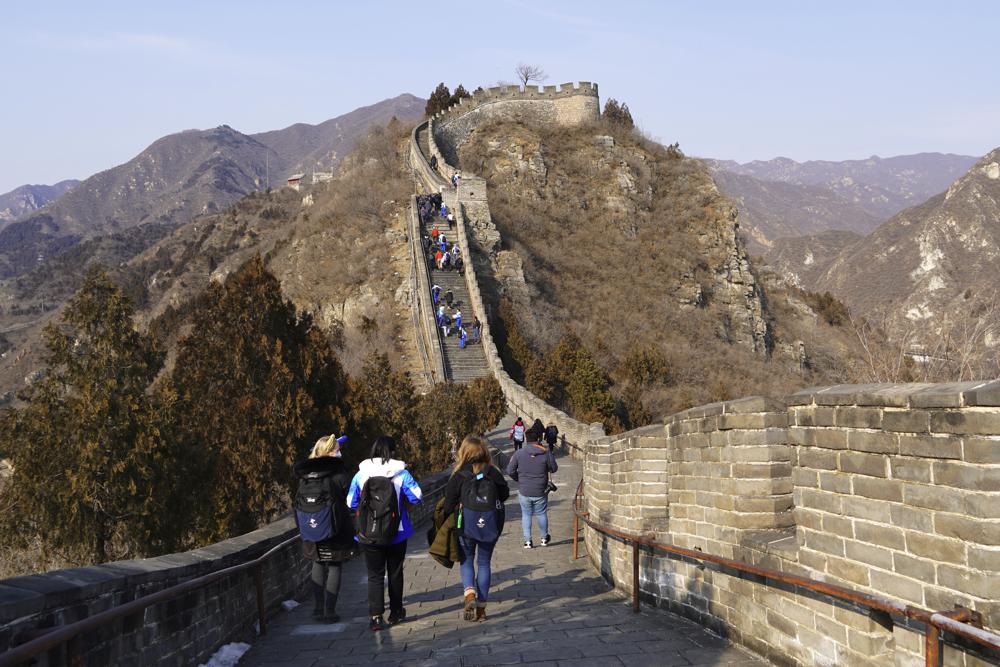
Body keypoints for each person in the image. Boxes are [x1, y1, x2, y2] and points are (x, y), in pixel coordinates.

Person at [347, 436, 423, 632]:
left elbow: (350, 503)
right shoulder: (402, 474)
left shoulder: (360, 475)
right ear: (393, 452)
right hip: (396, 531)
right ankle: (396, 611)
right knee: (395, 572)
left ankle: (376, 617)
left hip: (368, 533)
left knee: (375, 575)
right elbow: (417, 496)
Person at [443, 436, 509, 622]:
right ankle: (481, 609)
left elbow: (448, 505)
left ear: (464, 452)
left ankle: (469, 594)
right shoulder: (493, 473)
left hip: (465, 525)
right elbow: (504, 495)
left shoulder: (459, 475)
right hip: (489, 524)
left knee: (466, 561)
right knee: (484, 563)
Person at [293, 435, 356, 622]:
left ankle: (318, 609)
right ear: (329, 452)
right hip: (336, 528)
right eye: (336, 449)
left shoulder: (305, 476)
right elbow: (351, 499)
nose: (339, 452)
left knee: (317, 563)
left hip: (311, 530)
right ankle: (330, 611)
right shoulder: (338, 474)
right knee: (335, 565)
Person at [506, 420, 557, 548]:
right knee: (541, 513)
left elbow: (509, 471)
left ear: (525, 439)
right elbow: (554, 468)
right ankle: (544, 538)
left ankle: (527, 541)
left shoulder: (519, 453)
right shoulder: (545, 452)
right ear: (539, 438)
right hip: (540, 490)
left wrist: (519, 479)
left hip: (524, 490)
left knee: (526, 514)